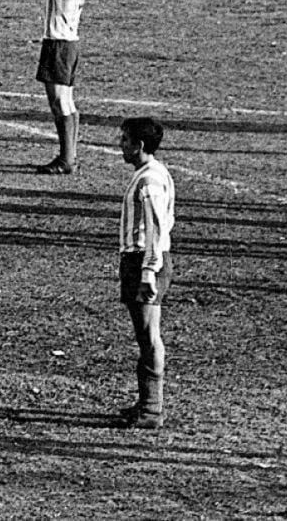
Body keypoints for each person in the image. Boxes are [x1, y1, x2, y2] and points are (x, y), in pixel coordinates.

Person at [116, 117, 176, 430]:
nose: (121, 145)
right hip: (145, 259)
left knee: (149, 335)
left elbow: (155, 227)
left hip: (143, 260)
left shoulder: (149, 181)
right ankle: (147, 403)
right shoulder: (156, 172)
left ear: (139, 146)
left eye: (125, 140)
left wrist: (148, 271)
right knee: (145, 335)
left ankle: (153, 408)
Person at [19, 0, 86, 175]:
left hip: (58, 44)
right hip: (71, 43)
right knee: (67, 101)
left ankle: (67, 159)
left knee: (59, 102)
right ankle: (70, 156)